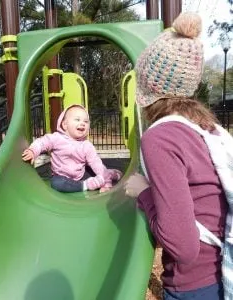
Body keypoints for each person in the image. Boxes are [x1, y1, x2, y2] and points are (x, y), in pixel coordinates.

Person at [125, 12, 230, 300]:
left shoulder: (161, 138)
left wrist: (144, 193)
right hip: (224, 269)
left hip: (196, 285)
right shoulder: (210, 129)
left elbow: (182, 247)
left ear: (149, 83)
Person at [22, 104, 122, 193]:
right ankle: (85, 185)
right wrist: (33, 151)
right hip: (61, 176)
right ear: (65, 125)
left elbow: (97, 164)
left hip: (81, 175)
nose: (82, 123)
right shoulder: (56, 138)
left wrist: (106, 184)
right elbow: (42, 142)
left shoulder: (86, 145)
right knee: (57, 184)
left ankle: (110, 174)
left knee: (99, 172)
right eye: (77, 120)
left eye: (86, 121)